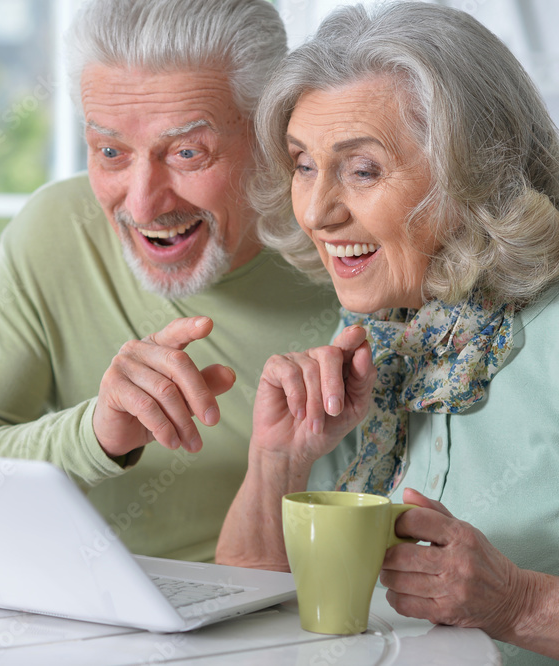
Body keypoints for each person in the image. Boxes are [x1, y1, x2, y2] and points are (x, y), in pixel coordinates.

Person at [0, 0, 338, 563]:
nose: (143, 204)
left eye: (186, 152)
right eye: (110, 152)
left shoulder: (346, 255)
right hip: (81, 605)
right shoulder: (58, 231)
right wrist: (94, 434)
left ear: (269, 133)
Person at [214, 3, 559, 663]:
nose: (318, 212)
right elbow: (238, 611)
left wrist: (518, 604)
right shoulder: (375, 335)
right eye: (304, 165)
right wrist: (278, 461)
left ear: (477, 170)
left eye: (363, 170)